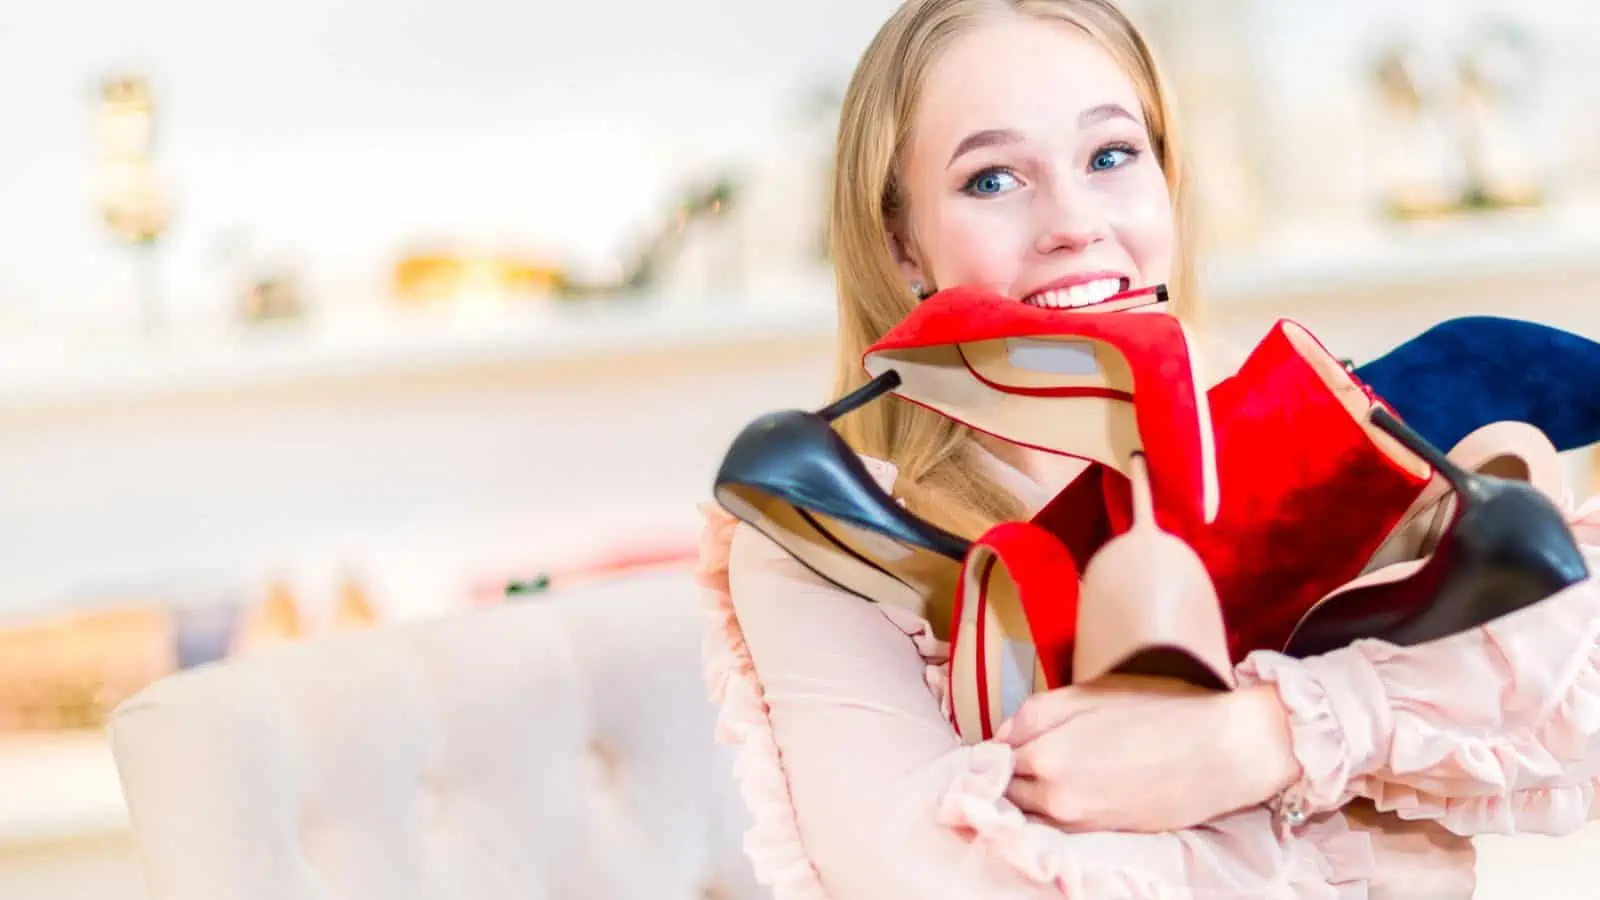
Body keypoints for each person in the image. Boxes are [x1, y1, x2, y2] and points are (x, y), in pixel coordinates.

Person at [697, 1, 1600, 897]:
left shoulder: (1320, 446)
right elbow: (937, 883)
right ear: (902, 247)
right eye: (992, 179)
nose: (1074, 223)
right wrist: (1336, 785)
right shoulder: (807, 543)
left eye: (1111, 156)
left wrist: (1264, 740)